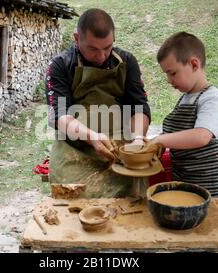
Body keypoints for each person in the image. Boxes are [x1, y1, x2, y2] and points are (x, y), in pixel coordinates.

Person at [45, 8, 151, 198]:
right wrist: (93, 137)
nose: (101, 56)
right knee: (75, 203)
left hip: (120, 148)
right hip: (75, 149)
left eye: (107, 47)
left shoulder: (126, 62)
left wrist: (137, 139)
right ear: (77, 38)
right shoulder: (60, 65)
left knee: (132, 202)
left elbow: (139, 106)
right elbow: (61, 117)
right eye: (93, 49)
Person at [150, 32, 218, 200]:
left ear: (194, 64)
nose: (169, 80)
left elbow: (201, 136)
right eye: (166, 74)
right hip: (187, 180)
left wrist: (160, 140)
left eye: (173, 73)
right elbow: (179, 137)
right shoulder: (187, 97)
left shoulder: (211, 98)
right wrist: (154, 146)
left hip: (211, 186)